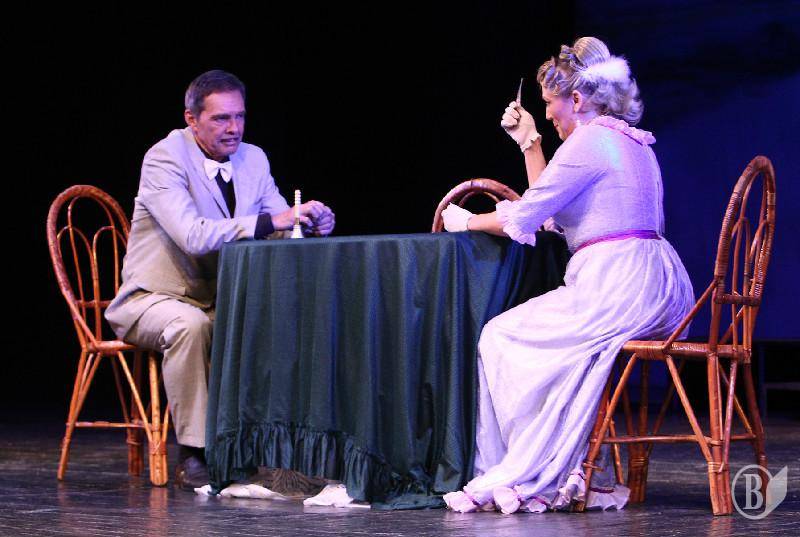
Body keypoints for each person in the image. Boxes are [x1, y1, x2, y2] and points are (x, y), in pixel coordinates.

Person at [440, 37, 694, 513]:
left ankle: (537, 466)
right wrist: (530, 141)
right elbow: (551, 207)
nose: (548, 114)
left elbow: (527, 214)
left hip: (618, 283)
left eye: (549, 104)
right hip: (657, 284)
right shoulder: (626, 138)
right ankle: (571, 462)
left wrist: (467, 221)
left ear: (576, 99)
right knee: (551, 343)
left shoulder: (588, 142)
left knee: (501, 335)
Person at [105, 70, 335, 490]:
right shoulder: (164, 158)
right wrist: (273, 221)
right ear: (192, 119)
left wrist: (307, 224)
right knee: (191, 326)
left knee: (279, 320)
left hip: (220, 301)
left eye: (240, 117)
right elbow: (192, 236)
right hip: (152, 299)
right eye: (221, 119)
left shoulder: (254, 159)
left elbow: (278, 225)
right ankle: (195, 453)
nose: (234, 128)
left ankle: (267, 445)